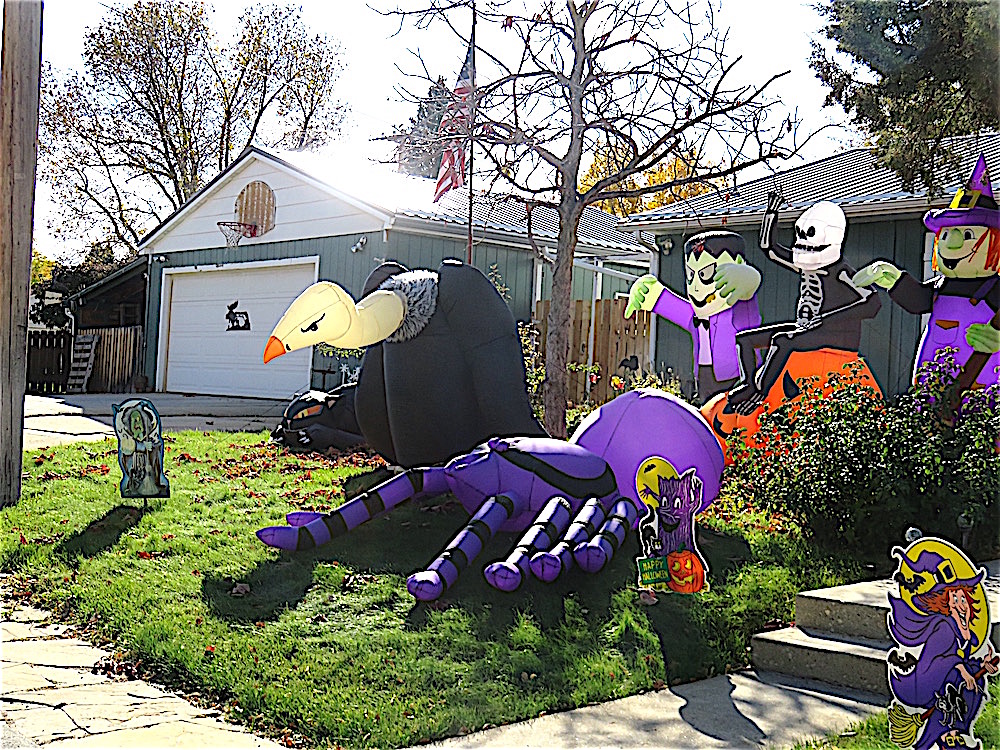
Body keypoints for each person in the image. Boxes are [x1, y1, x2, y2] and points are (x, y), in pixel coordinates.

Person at [853, 153, 1000, 388]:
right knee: (929, 402)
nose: (951, 245)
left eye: (967, 235)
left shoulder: (994, 288)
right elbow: (919, 300)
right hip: (933, 373)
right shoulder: (942, 285)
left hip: (982, 377)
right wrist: (895, 280)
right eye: (946, 235)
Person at [626, 230, 761, 403]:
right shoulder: (697, 315)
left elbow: (749, 290)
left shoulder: (740, 309)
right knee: (707, 412)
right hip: (704, 376)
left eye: (705, 274)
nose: (696, 286)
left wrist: (747, 277)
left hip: (738, 378)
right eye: (691, 275)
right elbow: (676, 308)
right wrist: (650, 294)